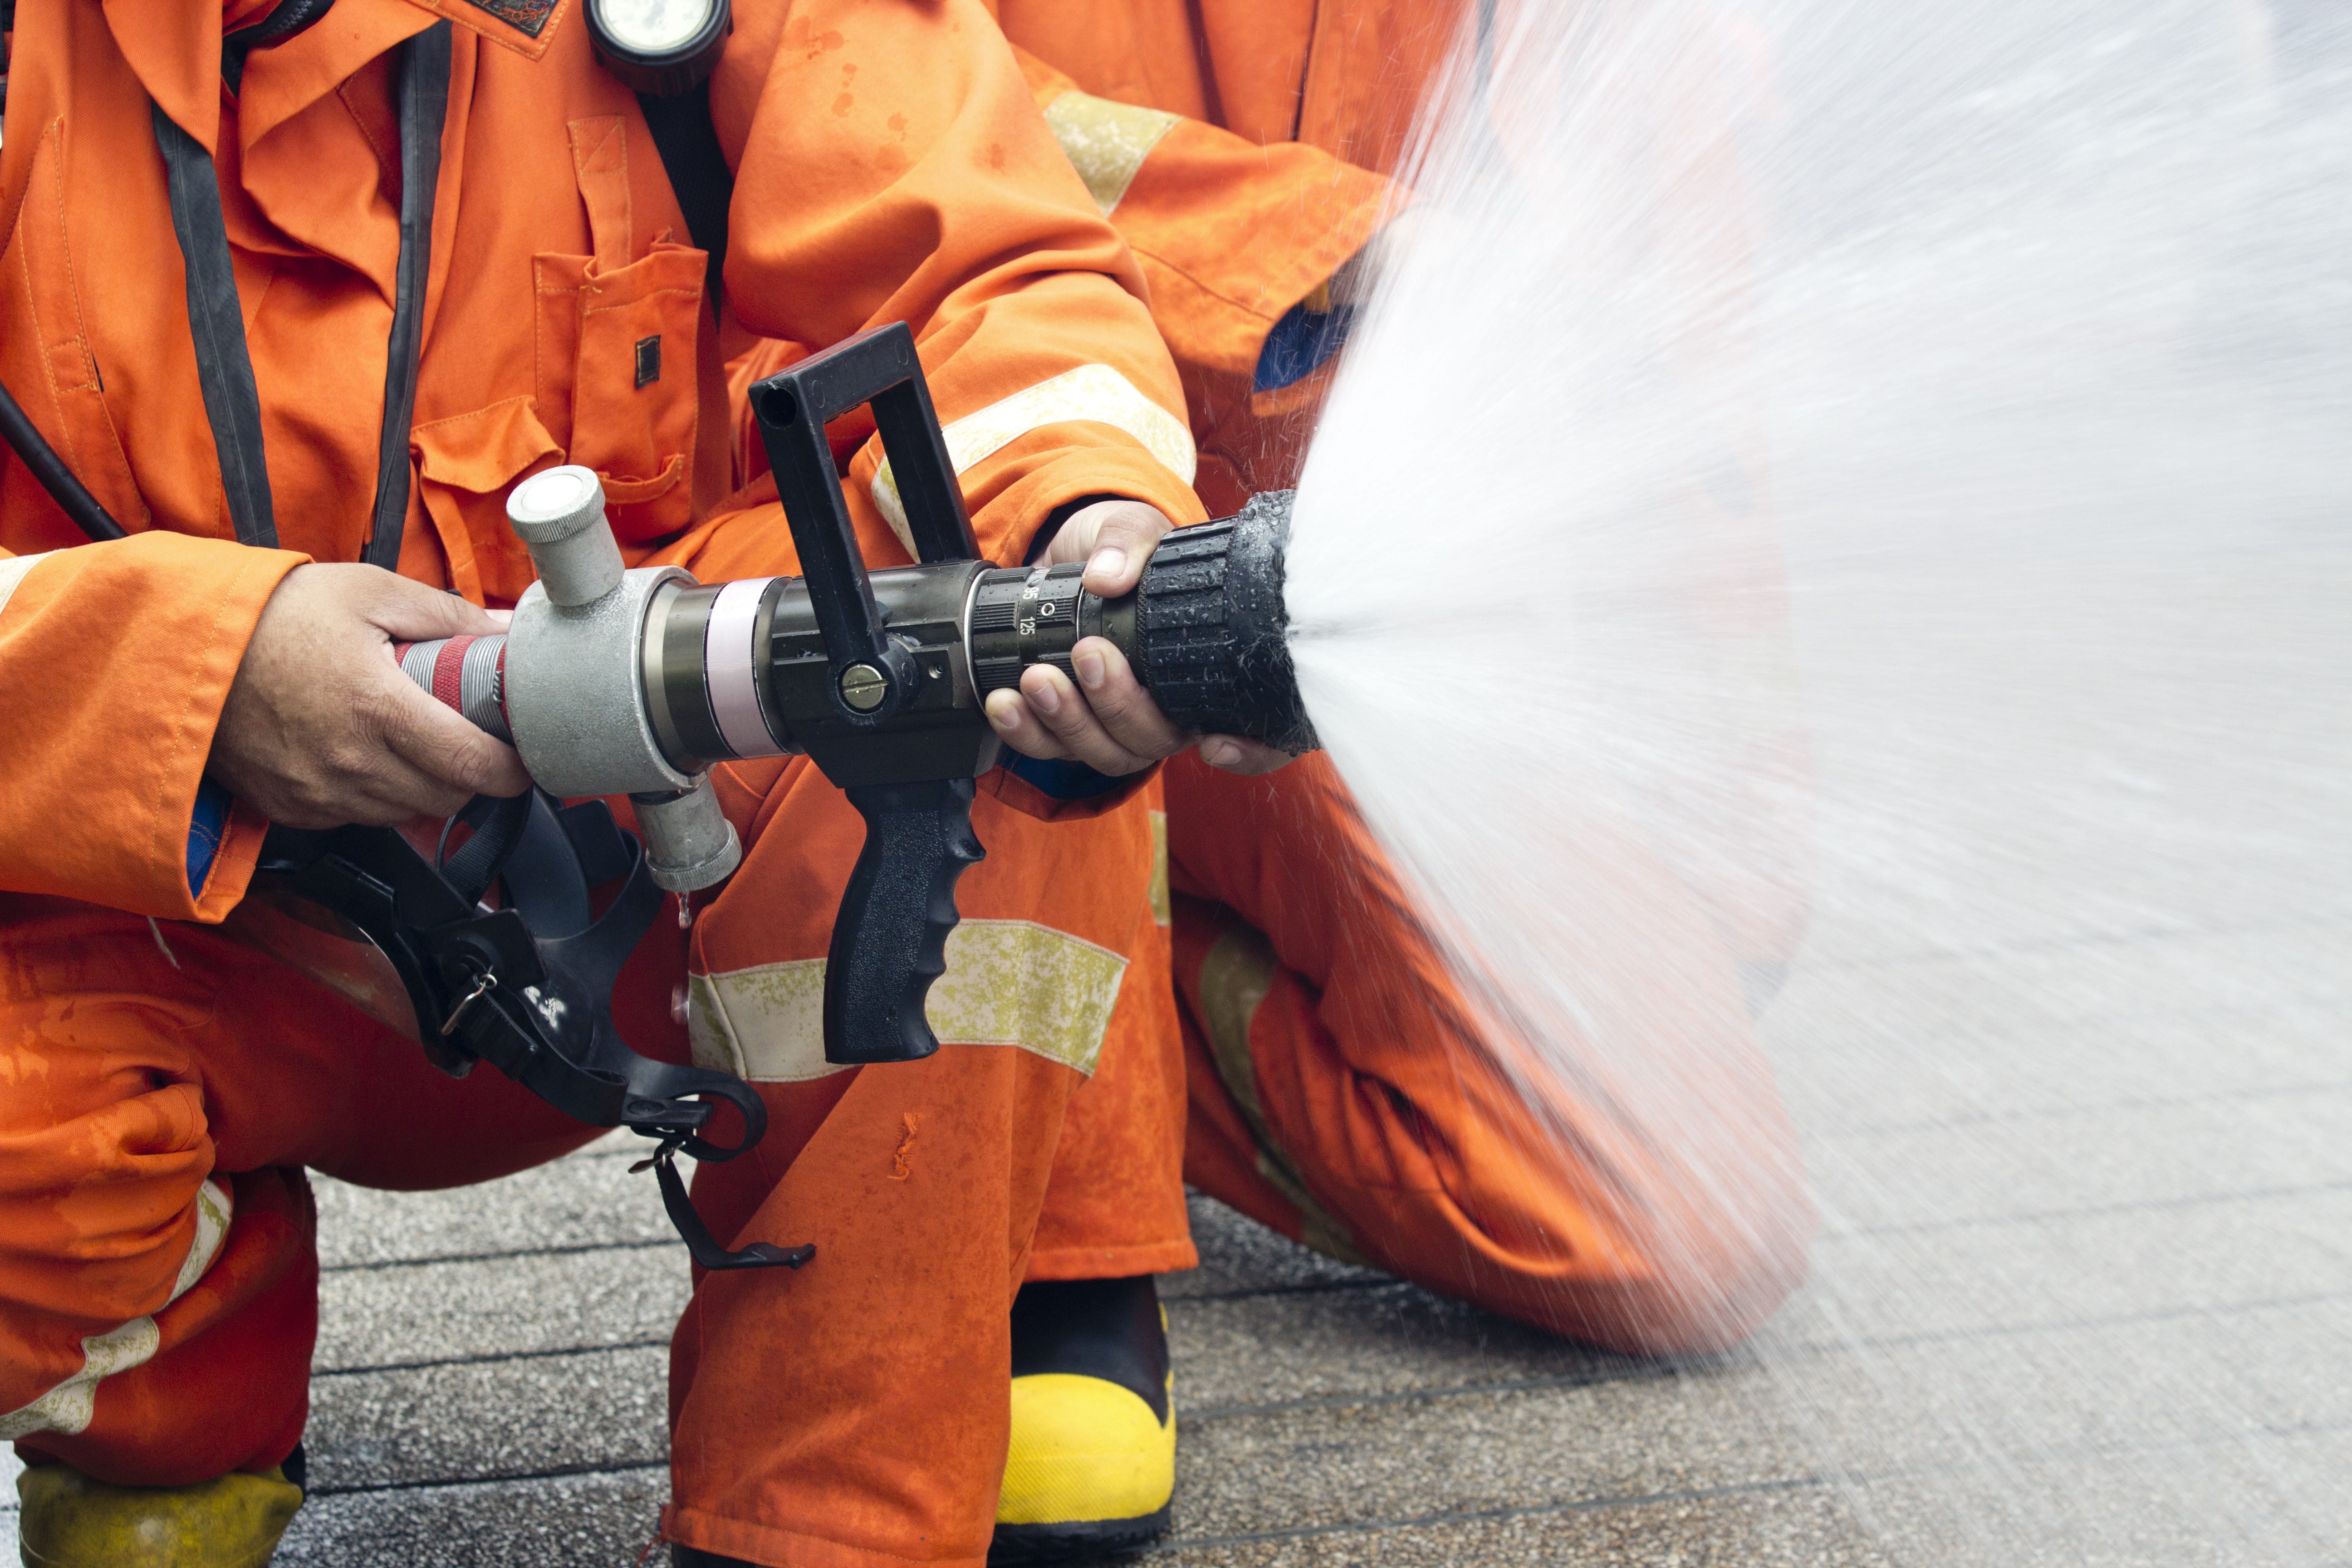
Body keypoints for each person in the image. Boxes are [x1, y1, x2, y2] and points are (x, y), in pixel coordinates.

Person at [0, 2, 1280, 1565]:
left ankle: (846, 1492)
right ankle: (177, 1406)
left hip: (652, 885)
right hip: (150, 907)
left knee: (952, 644)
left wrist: (1088, 508)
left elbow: (981, 270)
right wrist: (180, 674)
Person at [740, 0, 1826, 1553]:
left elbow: (1690, 384)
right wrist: (1316, 245)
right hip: (1023, 520)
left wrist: (1721, 879)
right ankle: (1069, 1234)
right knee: (997, 661)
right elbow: (858, 104)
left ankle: (1159, 1019)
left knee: (1671, 1227)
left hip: (1371, 647)